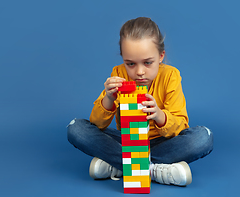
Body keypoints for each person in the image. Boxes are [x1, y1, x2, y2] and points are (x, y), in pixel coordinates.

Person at [67, 17, 213, 186]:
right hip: (126, 142)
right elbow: (96, 124)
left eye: (147, 62)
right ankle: (154, 170)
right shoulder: (119, 74)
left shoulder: (171, 76)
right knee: (75, 128)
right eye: (130, 64)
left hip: (162, 142)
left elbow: (180, 126)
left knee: (203, 137)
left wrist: (159, 115)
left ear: (161, 56)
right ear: (123, 59)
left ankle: (121, 166)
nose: (140, 72)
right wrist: (109, 98)